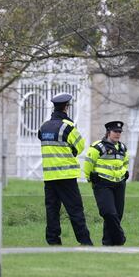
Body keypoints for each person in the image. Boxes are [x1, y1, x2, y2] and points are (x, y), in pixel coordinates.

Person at [37, 93, 93, 246]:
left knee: (52, 210)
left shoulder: (44, 127)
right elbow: (80, 146)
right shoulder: (67, 127)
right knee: (75, 210)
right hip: (66, 176)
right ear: (66, 108)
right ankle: (85, 241)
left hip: (49, 176)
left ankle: (53, 241)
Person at [84, 120, 129, 246]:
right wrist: (90, 178)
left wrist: (124, 172)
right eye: (115, 131)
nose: (118, 134)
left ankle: (109, 243)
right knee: (108, 212)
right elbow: (88, 163)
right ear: (108, 132)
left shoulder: (122, 147)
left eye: (120, 132)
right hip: (102, 183)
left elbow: (125, 163)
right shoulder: (98, 146)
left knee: (118, 214)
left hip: (119, 184)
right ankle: (120, 238)